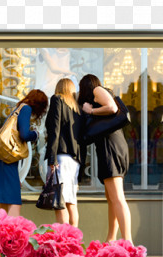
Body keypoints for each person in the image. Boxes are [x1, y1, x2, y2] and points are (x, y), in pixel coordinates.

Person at [78, 74, 131, 243]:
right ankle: (111, 238)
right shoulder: (98, 94)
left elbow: (112, 108)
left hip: (111, 150)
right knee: (112, 199)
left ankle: (128, 243)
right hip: (113, 148)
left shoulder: (97, 89)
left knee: (118, 198)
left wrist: (90, 110)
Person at [0, 89, 49, 217]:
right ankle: (13, 233)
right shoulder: (26, 109)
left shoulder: (18, 108)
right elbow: (24, 134)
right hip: (7, 158)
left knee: (3, 199)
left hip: (1, 155)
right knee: (13, 198)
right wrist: (35, 134)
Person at [44, 78, 85, 226]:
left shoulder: (57, 99)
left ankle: (64, 241)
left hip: (60, 157)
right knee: (71, 201)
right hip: (74, 161)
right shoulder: (77, 108)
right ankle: (74, 240)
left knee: (59, 200)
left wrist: (51, 159)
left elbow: (55, 131)